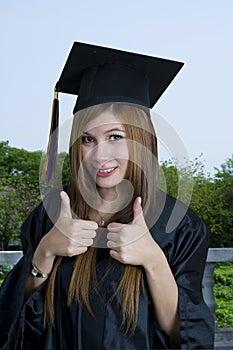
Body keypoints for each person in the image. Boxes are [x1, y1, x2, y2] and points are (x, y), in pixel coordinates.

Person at [0, 42, 214, 349]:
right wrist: (45, 252)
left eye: (115, 137)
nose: (100, 154)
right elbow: (12, 318)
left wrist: (153, 260)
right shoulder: (51, 216)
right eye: (88, 139)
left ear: (141, 139)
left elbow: (187, 336)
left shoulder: (180, 227)